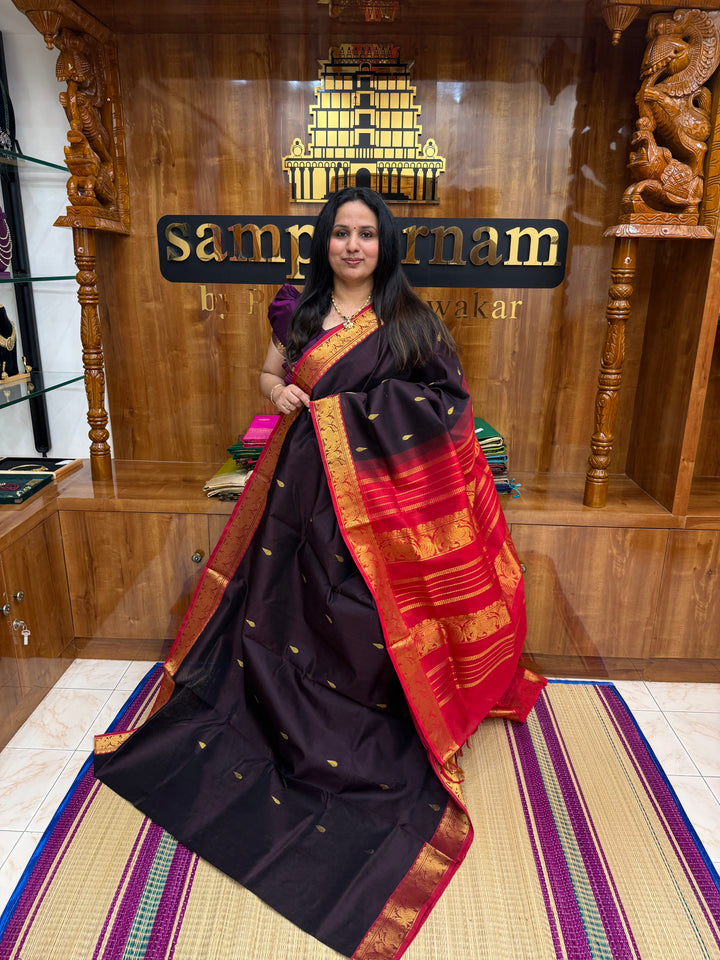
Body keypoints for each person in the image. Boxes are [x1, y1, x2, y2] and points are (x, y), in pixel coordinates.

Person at [94, 187, 545, 960]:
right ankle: (273, 711)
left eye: (367, 234)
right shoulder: (297, 311)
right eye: (342, 233)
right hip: (301, 488)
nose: (354, 246)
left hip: (376, 508)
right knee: (283, 603)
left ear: (385, 244)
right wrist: (285, 394)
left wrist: (345, 416)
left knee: (357, 617)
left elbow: (447, 406)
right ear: (325, 241)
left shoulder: (409, 321)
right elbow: (268, 378)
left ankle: (356, 722)